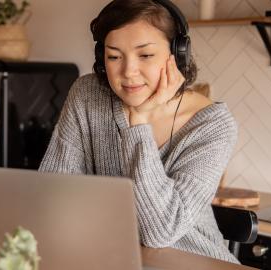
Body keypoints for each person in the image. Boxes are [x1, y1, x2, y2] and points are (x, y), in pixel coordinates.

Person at [39, 0, 239, 264]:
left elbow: (159, 231)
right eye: (114, 56)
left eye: (145, 55)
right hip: (111, 259)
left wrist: (139, 121)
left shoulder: (213, 125)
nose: (128, 72)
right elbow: (54, 196)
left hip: (194, 261)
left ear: (177, 54)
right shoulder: (88, 94)